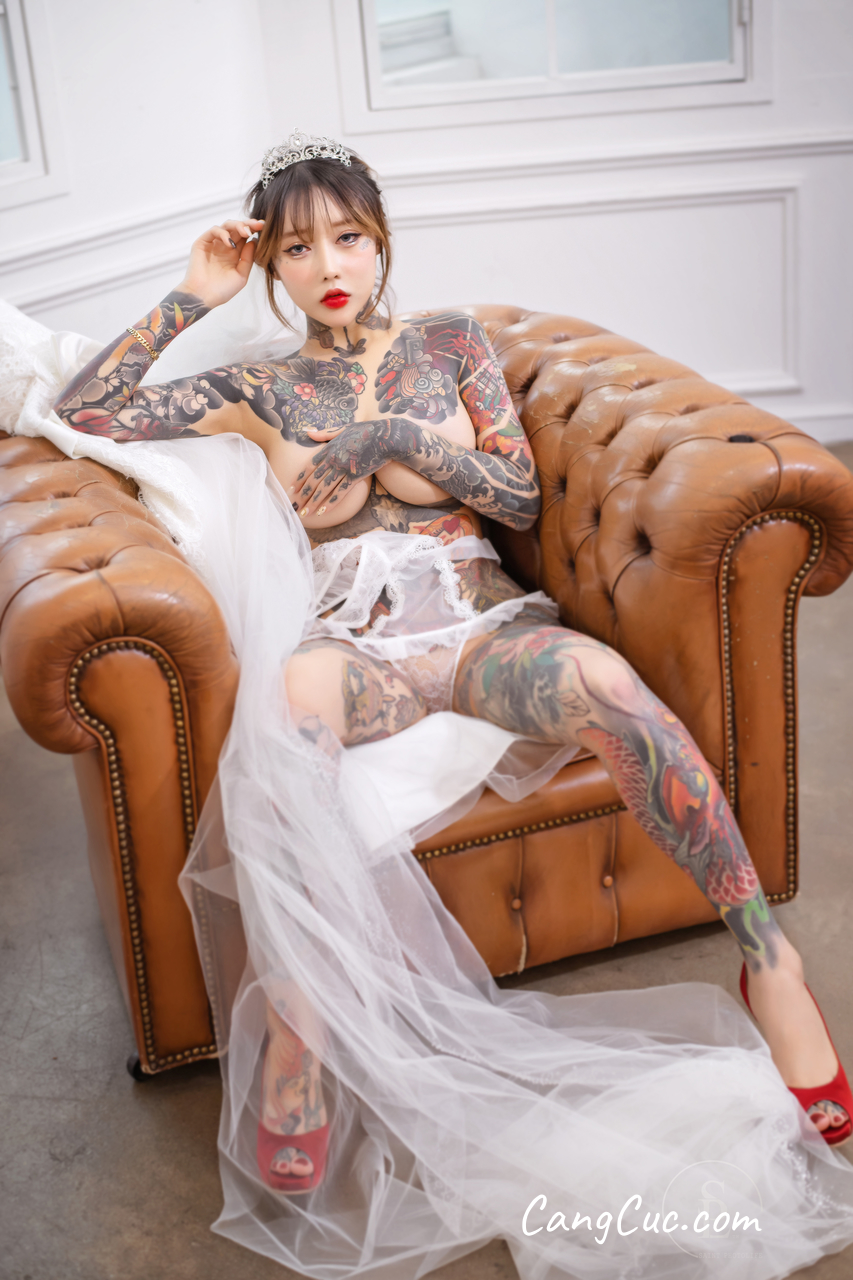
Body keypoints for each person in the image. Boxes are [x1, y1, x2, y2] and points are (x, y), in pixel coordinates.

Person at [49, 132, 853, 1273]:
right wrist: (193, 292)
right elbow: (91, 411)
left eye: (347, 237)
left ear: (380, 240)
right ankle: (300, 1023)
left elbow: (515, 492)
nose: (328, 264)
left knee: (612, 690)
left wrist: (386, 436)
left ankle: (769, 963)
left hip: (478, 629)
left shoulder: (448, 346)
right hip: (356, 646)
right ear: (270, 265)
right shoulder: (260, 388)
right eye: (296, 248)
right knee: (286, 716)